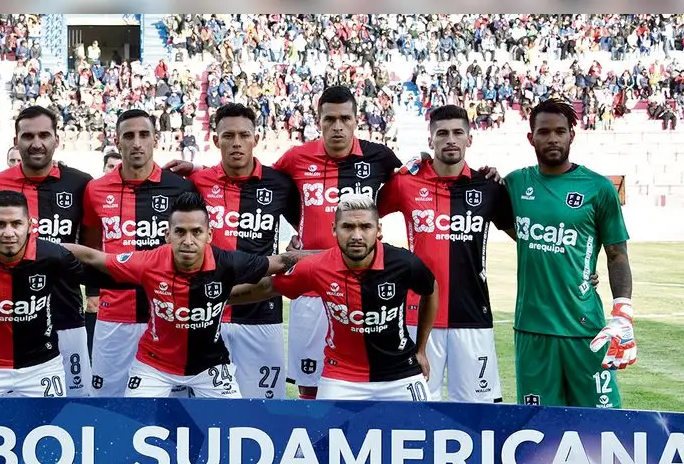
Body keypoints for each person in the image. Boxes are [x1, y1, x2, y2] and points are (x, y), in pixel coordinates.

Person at [167, 86, 501, 400]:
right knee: (310, 383)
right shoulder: (296, 159)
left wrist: (477, 173)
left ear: (357, 121)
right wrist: (200, 169)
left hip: (365, 287)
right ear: (318, 122)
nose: (338, 126)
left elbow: (416, 181)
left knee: (368, 372)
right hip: (310, 287)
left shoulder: (380, 158)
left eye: (345, 119)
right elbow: (255, 180)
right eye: (330, 119)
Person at [63, 192, 306, 398]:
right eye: (180, 232)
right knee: (133, 427)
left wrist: (336, 256)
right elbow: (93, 257)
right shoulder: (148, 261)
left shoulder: (229, 262)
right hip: (153, 366)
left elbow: (281, 261)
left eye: (196, 232)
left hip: (211, 367)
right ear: (167, 235)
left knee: (232, 432)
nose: (188, 241)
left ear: (209, 235)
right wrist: (37, 248)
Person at [230, 196, 439, 401]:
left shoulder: (404, 263)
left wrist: (421, 349)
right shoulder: (317, 266)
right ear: (334, 229)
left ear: (379, 230)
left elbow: (431, 290)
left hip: (401, 374)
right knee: (326, 434)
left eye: (365, 227)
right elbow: (268, 287)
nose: (357, 235)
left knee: (424, 432)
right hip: (341, 378)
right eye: (348, 227)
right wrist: (213, 299)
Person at [377, 105, 514, 403]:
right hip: (417, 316)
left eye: (457, 133)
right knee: (414, 411)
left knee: (479, 414)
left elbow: (525, 237)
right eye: (442, 133)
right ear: (431, 141)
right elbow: (365, 214)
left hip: (473, 318)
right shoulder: (405, 183)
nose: (450, 139)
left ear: (469, 139)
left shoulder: (489, 187)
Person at [504, 99, 635, 408]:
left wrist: (622, 312)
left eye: (560, 131)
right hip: (532, 329)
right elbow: (510, 225)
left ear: (572, 135)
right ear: (531, 137)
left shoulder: (599, 188)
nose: (552, 138)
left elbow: (617, 254)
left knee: (603, 422)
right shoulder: (514, 183)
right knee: (537, 426)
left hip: (584, 327)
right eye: (544, 131)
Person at [0, 106, 95, 397]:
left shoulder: (80, 183)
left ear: (57, 140)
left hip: (66, 313)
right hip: (8, 323)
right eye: (28, 136)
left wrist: (95, 293)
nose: (36, 143)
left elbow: (90, 246)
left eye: (44, 135)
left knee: (75, 404)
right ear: (16, 141)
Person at [186, 103, 301, 399]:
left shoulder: (280, 184)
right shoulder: (198, 183)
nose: (236, 142)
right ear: (216, 140)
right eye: (228, 136)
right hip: (207, 313)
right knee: (199, 411)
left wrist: (299, 241)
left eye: (243, 135)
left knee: (265, 410)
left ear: (256, 139)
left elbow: (307, 222)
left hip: (262, 313)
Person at [0, 191, 98, 398]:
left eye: (16, 223)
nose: (8, 232)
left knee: (48, 428)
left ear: (30, 225)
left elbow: (97, 274)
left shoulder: (53, 255)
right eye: (0, 224)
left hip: (42, 366)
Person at [81, 109, 195, 397]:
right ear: (117, 142)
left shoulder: (180, 188)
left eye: (144, 135)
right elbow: (93, 246)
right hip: (114, 317)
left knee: (172, 408)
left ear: (155, 139)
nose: (136, 143)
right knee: (107, 404)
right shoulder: (95, 189)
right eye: (128, 136)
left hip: (169, 316)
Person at [84, 150, 125, 357]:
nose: (115, 169)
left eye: (117, 165)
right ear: (103, 168)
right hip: (98, 263)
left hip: (123, 267)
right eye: (110, 166)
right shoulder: (96, 190)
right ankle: (92, 352)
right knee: (93, 304)